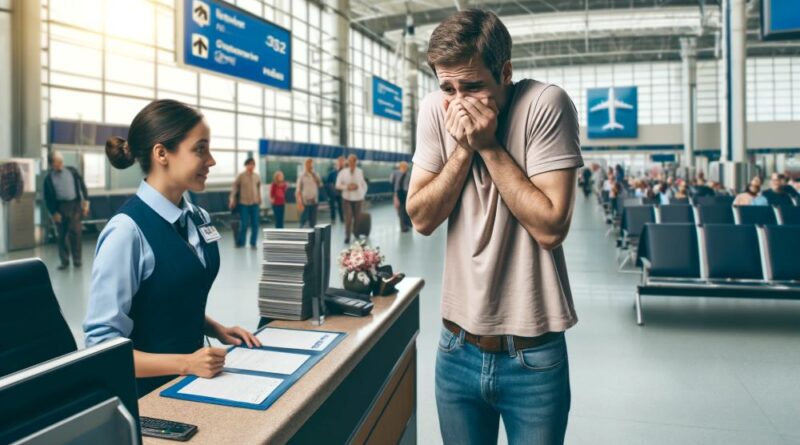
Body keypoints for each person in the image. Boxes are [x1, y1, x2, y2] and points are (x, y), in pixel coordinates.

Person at [407, 10, 582, 444]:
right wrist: (464, 150)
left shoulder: (545, 104)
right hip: (455, 348)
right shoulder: (436, 110)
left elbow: (551, 226)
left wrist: (487, 146)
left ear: (505, 73)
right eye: (448, 87)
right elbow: (421, 217)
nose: (459, 101)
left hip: (532, 356)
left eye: (473, 87)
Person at [83, 99, 260, 397]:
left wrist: (216, 329)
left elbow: (165, 301)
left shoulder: (198, 218)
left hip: (192, 385)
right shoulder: (127, 232)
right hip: (147, 399)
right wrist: (187, 363)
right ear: (161, 153)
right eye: (200, 149)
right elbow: (102, 349)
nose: (211, 160)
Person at [43, 151, 90, 270]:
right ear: (51, 164)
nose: (60, 164)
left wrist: (86, 203)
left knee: (76, 232)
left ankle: (77, 260)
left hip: (74, 205)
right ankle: (64, 261)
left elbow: (83, 186)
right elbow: (47, 198)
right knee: (61, 235)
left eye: (61, 162)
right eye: (57, 162)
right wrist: (53, 213)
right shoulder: (48, 179)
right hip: (59, 207)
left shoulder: (72, 171)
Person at [229, 158, 261, 249]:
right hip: (244, 204)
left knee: (255, 224)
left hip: (255, 203)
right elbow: (235, 188)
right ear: (246, 165)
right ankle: (241, 243)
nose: (252, 166)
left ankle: (253, 243)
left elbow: (258, 188)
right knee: (244, 224)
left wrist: (260, 198)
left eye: (253, 164)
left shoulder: (256, 176)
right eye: (250, 164)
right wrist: (232, 199)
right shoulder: (241, 176)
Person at [335, 154, 367, 244]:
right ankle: (347, 236)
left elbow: (363, 184)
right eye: (350, 161)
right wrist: (347, 187)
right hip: (347, 198)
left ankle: (356, 233)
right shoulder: (342, 172)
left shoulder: (360, 171)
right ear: (347, 162)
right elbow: (337, 185)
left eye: (353, 161)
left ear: (356, 162)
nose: (351, 163)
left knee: (357, 218)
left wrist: (362, 193)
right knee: (348, 218)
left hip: (358, 198)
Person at [296, 158, 321, 228]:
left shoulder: (316, 175)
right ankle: (301, 237)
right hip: (305, 202)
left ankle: (312, 238)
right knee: (303, 222)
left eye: (311, 164)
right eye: (308, 164)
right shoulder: (301, 176)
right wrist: (299, 202)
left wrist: (315, 176)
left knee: (313, 223)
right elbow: (298, 190)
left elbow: (320, 185)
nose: (310, 165)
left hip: (314, 202)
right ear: (305, 165)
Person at [325, 156, 345, 223]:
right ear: (337, 163)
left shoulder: (345, 173)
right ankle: (333, 218)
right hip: (333, 193)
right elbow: (327, 183)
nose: (341, 163)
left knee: (341, 207)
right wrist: (332, 188)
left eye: (342, 162)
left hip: (342, 193)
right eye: (340, 162)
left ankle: (342, 218)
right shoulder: (332, 173)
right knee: (332, 207)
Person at [394, 161, 412, 232]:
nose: (405, 169)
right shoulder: (396, 174)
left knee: (407, 209)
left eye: (406, 167)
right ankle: (403, 227)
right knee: (401, 210)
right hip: (399, 193)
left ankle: (408, 224)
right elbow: (394, 185)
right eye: (403, 167)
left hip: (406, 193)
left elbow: (410, 185)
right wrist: (395, 195)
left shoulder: (408, 175)